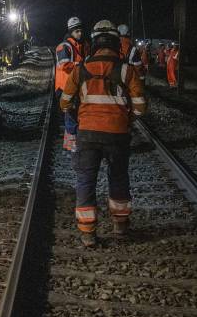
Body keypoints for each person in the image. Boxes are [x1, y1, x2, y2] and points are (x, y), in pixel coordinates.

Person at [59, 20, 147, 247]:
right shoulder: (126, 70)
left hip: (87, 134)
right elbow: (140, 106)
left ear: (94, 43)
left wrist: (80, 113)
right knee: (118, 178)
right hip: (118, 134)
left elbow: (65, 102)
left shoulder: (81, 69)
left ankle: (88, 233)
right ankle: (120, 227)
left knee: (86, 180)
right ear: (116, 43)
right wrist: (127, 117)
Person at [55, 17, 88, 151]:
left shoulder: (83, 45)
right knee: (70, 115)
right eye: (77, 31)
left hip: (76, 86)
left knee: (75, 114)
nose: (80, 33)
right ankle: (72, 144)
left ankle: (75, 142)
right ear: (71, 32)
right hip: (65, 87)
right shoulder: (64, 46)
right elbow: (65, 65)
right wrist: (82, 65)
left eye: (81, 31)